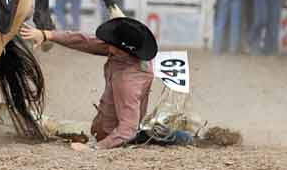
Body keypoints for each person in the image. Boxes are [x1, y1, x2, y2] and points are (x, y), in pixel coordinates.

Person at [19, 17, 187, 150]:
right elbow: (85, 40)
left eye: (113, 44)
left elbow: (127, 130)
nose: (108, 46)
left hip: (110, 136)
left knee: (51, 126)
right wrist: (48, 35)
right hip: (104, 129)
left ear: (125, 50)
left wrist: (94, 147)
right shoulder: (125, 54)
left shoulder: (128, 81)